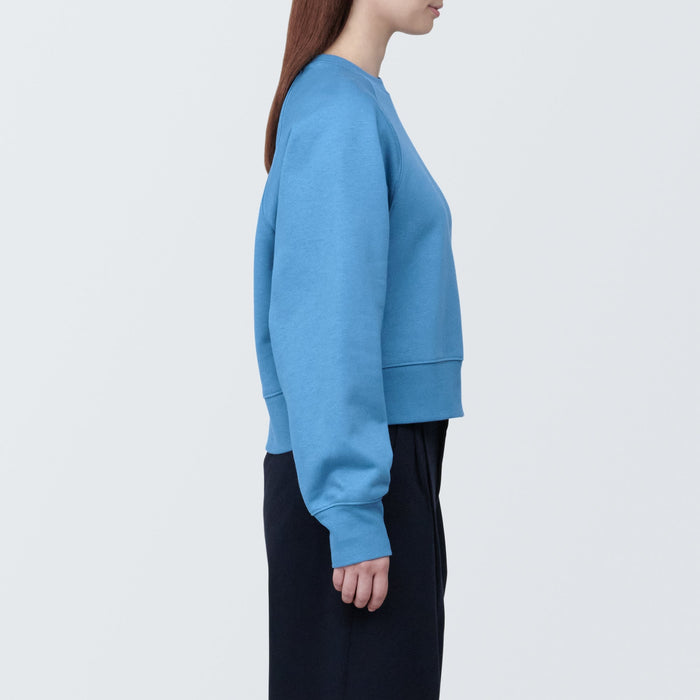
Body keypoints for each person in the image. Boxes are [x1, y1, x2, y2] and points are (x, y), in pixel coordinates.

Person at [252, 1, 462, 698]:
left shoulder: (353, 98)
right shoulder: (338, 107)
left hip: (372, 462)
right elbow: (323, 320)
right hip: (356, 471)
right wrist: (351, 508)